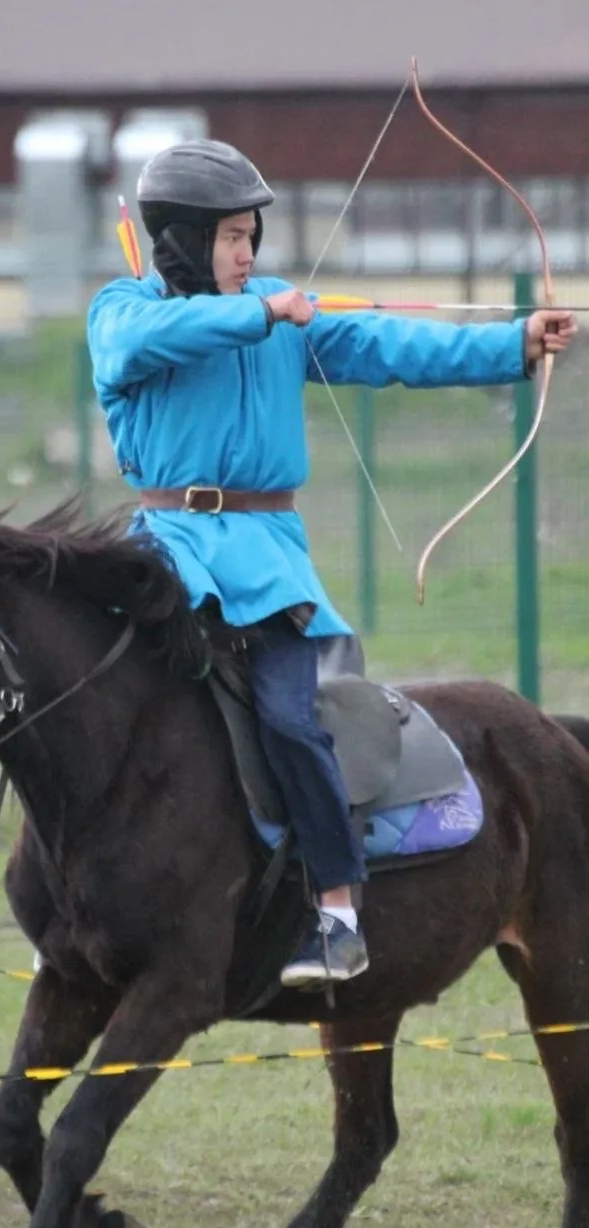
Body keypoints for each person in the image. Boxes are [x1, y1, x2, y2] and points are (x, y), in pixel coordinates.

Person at [86, 139, 577, 988]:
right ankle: (80, 902)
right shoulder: (125, 311)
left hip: (266, 571)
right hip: (162, 560)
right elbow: (153, 340)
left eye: (252, 236)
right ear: (180, 239)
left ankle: (339, 912)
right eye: (233, 237)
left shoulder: (277, 309)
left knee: (289, 719)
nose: (250, 254)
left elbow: (390, 346)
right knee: (96, 711)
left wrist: (515, 345)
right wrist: (266, 315)